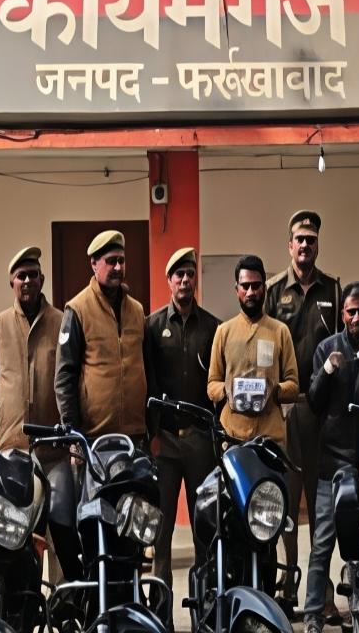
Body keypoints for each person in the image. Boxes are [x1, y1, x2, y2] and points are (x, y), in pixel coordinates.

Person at [303, 282, 359, 633]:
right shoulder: (327, 348)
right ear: (342, 313)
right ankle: (312, 615)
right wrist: (327, 370)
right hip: (331, 466)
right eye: (351, 311)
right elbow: (313, 402)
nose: (357, 317)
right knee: (322, 544)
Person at [263, 209, 341, 610]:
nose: (305, 245)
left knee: (320, 503)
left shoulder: (334, 289)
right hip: (284, 410)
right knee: (287, 503)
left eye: (311, 239)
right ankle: (289, 584)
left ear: (317, 245)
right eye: (300, 239)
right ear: (289, 245)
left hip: (320, 412)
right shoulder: (274, 290)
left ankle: (320, 590)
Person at [0, 245, 66, 582]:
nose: (28, 281)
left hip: (54, 451)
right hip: (12, 451)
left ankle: (61, 601)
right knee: (15, 532)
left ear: (42, 279)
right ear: (12, 283)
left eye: (33, 275)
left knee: (59, 529)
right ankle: (23, 600)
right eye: (21, 276)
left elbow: (69, 380)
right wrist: (5, 423)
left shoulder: (60, 322)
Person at [144, 247, 220, 606]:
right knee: (160, 533)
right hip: (165, 444)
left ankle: (204, 605)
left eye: (190, 274)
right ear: (169, 281)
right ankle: (160, 609)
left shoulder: (213, 327)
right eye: (179, 275)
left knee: (205, 527)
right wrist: (152, 436)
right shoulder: (152, 326)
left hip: (200, 441)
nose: (185, 280)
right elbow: (148, 384)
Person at [55, 230, 149, 442]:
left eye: (121, 261)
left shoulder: (137, 310)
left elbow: (147, 367)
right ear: (94, 264)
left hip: (135, 433)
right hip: (93, 435)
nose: (118, 267)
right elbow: (64, 376)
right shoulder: (77, 309)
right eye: (111, 261)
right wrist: (72, 433)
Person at [207, 254, 299, 443]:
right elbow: (212, 385)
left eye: (256, 286)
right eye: (245, 286)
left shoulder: (280, 331)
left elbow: (293, 386)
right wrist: (229, 389)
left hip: (270, 438)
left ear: (265, 288)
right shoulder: (223, 331)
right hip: (232, 436)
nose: (250, 292)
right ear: (237, 289)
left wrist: (273, 390)